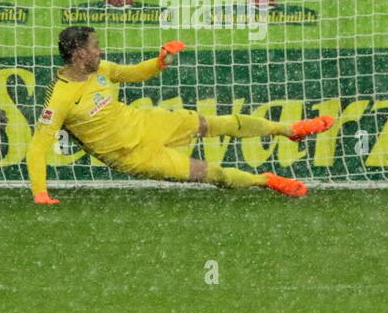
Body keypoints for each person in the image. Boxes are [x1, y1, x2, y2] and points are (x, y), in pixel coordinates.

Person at [27, 27, 335, 203]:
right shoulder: (61, 96)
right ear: (79, 54)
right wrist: (40, 192)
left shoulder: (103, 70)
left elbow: (135, 73)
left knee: (218, 122)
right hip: (132, 155)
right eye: (95, 48)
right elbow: (37, 147)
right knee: (216, 175)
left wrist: (160, 61)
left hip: (146, 122)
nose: (101, 52)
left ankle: (289, 129)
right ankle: (266, 180)